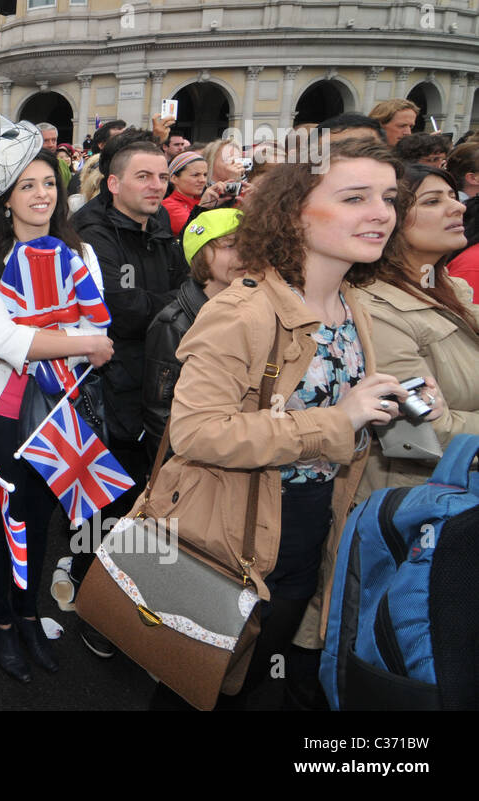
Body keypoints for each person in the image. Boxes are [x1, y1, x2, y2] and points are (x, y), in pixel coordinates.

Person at [146, 137, 436, 710]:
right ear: (294, 213)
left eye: (386, 196)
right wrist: (339, 418)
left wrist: (382, 404)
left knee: (248, 680)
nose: (381, 212)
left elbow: (335, 411)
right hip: (234, 530)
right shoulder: (241, 310)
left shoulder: (352, 303)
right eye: (355, 197)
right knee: (198, 686)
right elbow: (195, 431)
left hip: (311, 524)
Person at [0, 125, 114, 684]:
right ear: (6, 198)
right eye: (27, 186)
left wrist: (72, 340)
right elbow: (6, 343)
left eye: (49, 183)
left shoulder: (81, 252)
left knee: (45, 521)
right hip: (1, 414)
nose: (42, 194)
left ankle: (28, 615)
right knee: (5, 524)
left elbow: (94, 325)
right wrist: (80, 342)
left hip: (60, 409)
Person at [356, 163, 479, 499]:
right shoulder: (375, 310)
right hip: (421, 509)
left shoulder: (450, 287)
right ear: (389, 220)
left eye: (453, 197)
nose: (458, 207)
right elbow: (424, 431)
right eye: (432, 201)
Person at [73, 141, 188, 487]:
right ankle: (95, 543)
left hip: (157, 374)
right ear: (114, 184)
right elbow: (122, 312)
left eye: (163, 177)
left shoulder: (158, 219)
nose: (157, 185)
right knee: (108, 493)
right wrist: (172, 302)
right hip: (110, 385)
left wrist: (158, 301)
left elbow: (189, 288)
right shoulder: (90, 232)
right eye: (144, 176)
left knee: (147, 485)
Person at [142, 209, 244, 447]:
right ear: (200, 255)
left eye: (249, 245)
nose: (243, 256)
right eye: (230, 246)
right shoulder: (174, 325)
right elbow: (160, 413)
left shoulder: (256, 310)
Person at [162, 151, 209, 236]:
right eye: (195, 175)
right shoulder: (169, 206)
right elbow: (198, 232)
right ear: (174, 178)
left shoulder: (200, 201)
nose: (203, 180)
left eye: (205, 175)